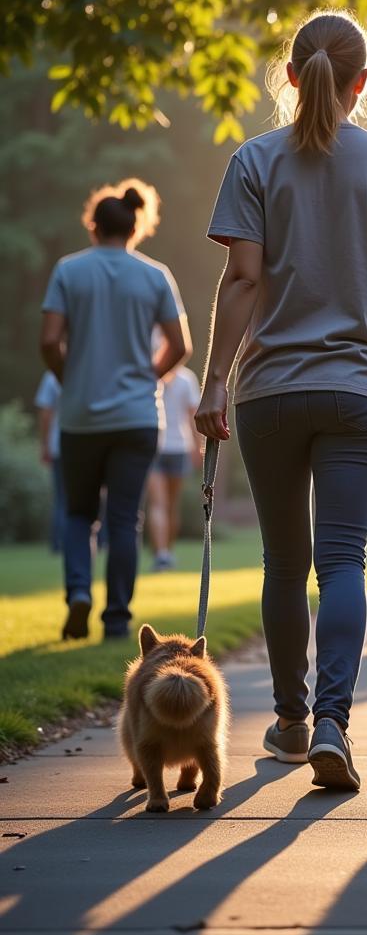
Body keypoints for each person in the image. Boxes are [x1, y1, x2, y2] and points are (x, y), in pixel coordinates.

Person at [196, 10, 367, 792]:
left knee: (283, 561)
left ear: (293, 75)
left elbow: (241, 279)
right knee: (343, 560)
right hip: (358, 392)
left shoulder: (254, 161)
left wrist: (211, 380)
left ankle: (294, 721)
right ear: (363, 81)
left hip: (269, 389)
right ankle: (335, 720)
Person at [39, 180, 190, 641]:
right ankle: (118, 618)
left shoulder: (68, 271)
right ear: (134, 227)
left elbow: (49, 341)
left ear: (92, 226)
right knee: (126, 518)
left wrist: (72, 379)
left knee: (79, 513)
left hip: (82, 416)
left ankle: (79, 592)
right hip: (137, 417)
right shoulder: (154, 274)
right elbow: (180, 345)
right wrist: (151, 375)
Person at [148, 363, 203, 571]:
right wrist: (198, 448)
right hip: (179, 446)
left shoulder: (151, 373)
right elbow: (193, 417)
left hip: (155, 445)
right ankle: (165, 553)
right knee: (170, 505)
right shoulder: (187, 378)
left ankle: (163, 554)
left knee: (158, 504)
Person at [34, 371, 65, 553]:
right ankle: (99, 542)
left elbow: (46, 413)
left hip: (59, 446)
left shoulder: (51, 376)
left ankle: (59, 543)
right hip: (83, 445)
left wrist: (44, 445)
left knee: (62, 499)